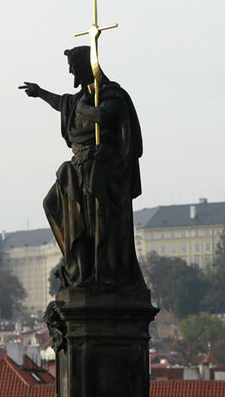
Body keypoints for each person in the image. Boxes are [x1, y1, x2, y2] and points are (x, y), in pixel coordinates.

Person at [21, 45, 146, 294]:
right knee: (52, 204)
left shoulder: (112, 94)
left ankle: (99, 273)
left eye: (73, 68)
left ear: (85, 68)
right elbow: (62, 103)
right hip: (77, 166)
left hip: (101, 169)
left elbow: (103, 116)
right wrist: (40, 93)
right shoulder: (79, 99)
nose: (71, 74)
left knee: (96, 222)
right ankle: (76, 264)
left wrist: (82, 108)